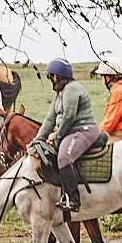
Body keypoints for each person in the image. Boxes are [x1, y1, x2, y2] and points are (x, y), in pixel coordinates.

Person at [30, 58, 100, 210]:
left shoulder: (72, 89)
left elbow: (69, 116)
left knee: (64, 157)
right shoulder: (59, 94)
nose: (50, 82)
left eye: (50, 78)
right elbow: (50, 119)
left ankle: (73, 199)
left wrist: (57, 136)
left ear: (55, 77)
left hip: (84, 130)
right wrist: (36, 141)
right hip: (72, 131)